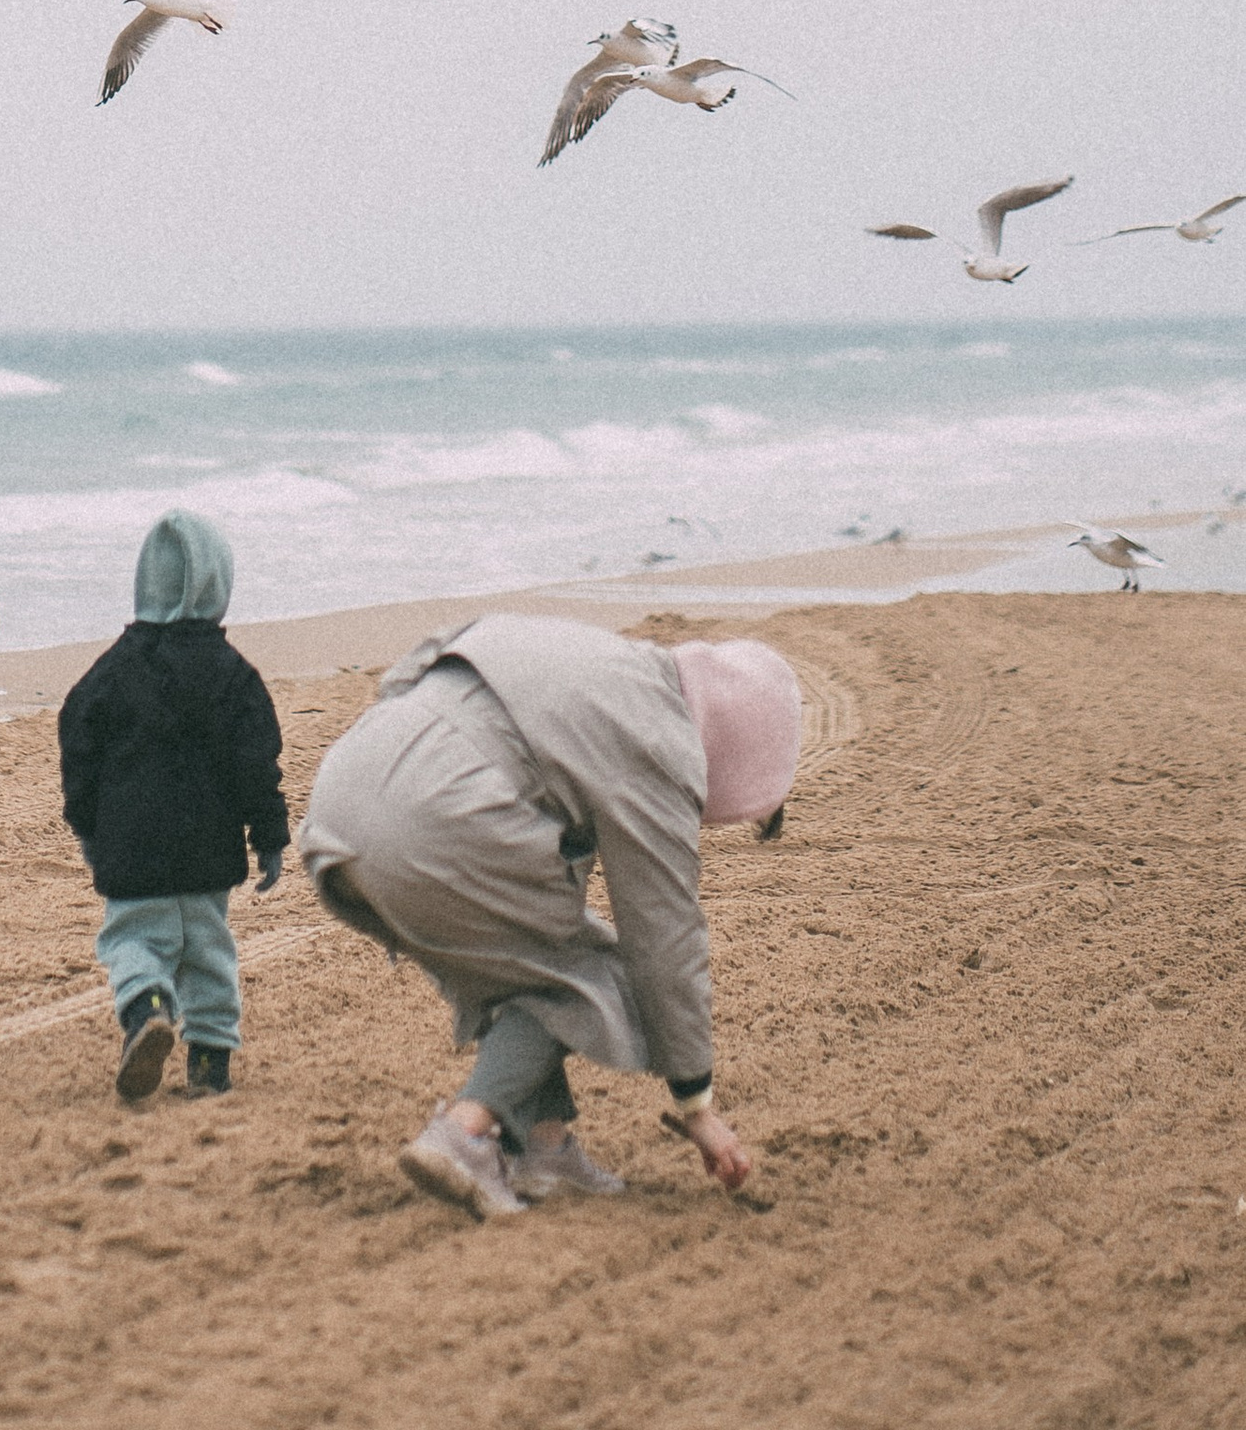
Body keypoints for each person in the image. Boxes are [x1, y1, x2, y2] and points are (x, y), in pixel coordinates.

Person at [298, 612, 799, 1218]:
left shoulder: (590, 654)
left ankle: (548, 1149)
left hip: (341, 799)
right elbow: (664, 934)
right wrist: (696, 1102)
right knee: (591, 976)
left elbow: (416, 664)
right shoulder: (660, 738)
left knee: (519, 969)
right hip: (441, 822)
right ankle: (465, 1132)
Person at [57, 510, 288, 1101]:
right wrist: (268, 837)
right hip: (208, 848)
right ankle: (211, 1061)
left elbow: (77, 741)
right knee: (209, 949)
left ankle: (149, 1005)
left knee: (133, 940)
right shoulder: (236, 677)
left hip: (131, 846)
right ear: (218, 586)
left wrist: (87, 824)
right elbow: (256, 765)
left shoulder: (110, 673)